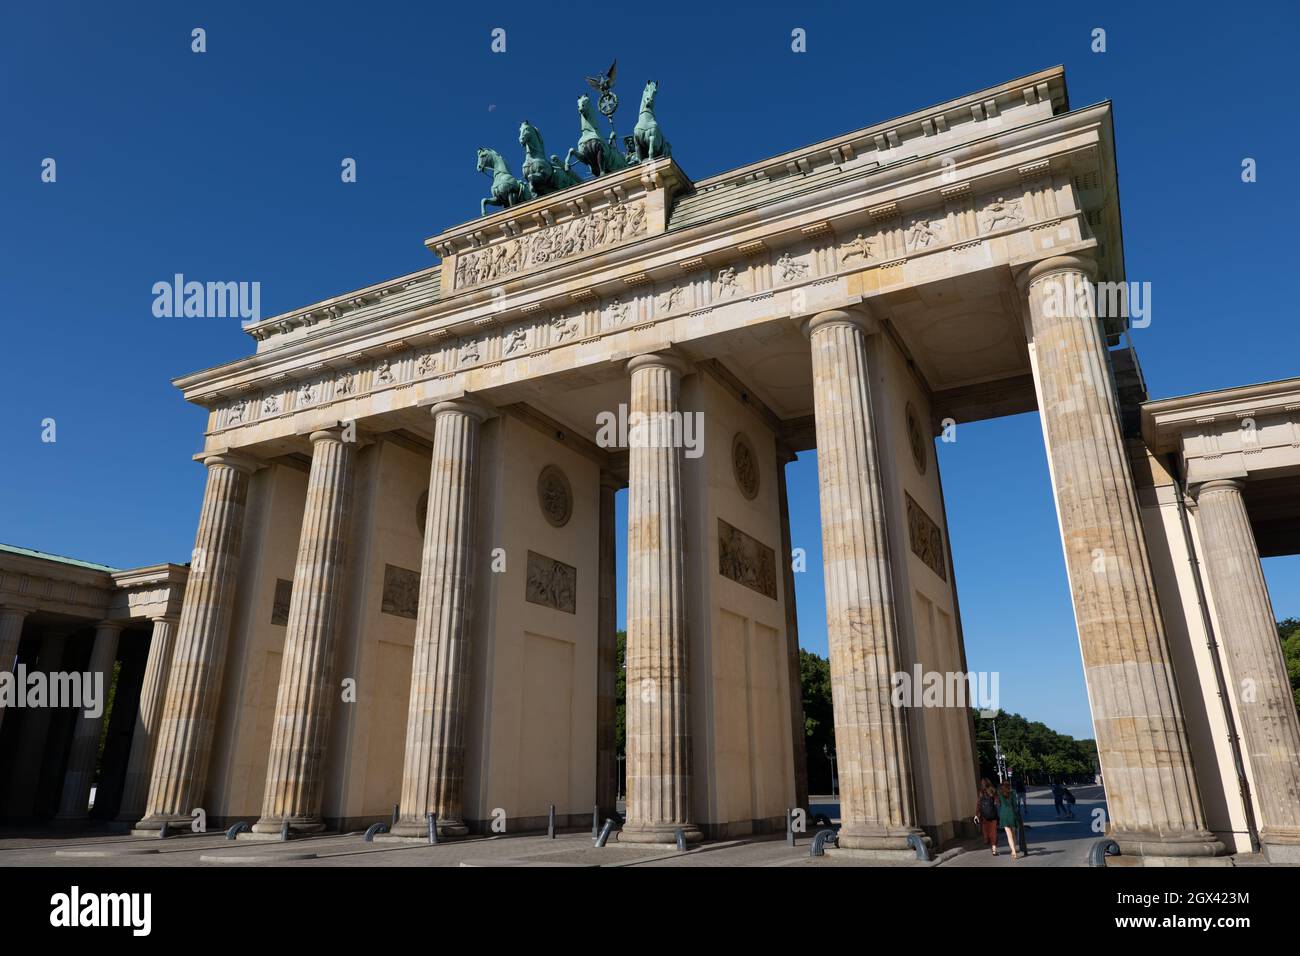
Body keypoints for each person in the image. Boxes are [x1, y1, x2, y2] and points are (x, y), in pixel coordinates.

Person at [997, 781, 1023, 860]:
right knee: (1013, 833)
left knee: (1009, 835)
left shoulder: (1000, 794)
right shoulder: (1012, 793)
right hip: (1012, 814)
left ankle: (1013, 851)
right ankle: (1014, 849)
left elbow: (999, 804)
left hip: (1004, 814)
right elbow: (1015, 805)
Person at [975, 778, 1000, 856]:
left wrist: (976, 815)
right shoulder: (993, 791)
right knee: (994, 831)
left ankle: (988, 840)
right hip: (993, 815)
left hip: (984, 816)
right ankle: (994, 849)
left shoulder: (981, 793)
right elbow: (998, 802)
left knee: (986, 830)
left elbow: (978, 804)